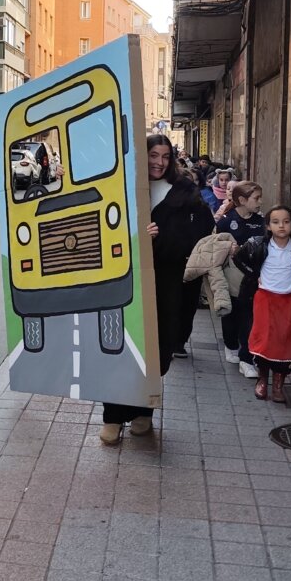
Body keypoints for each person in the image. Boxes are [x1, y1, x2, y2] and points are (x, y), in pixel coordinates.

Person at [100, 134, 215, 444]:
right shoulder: (121, 186)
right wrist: (136, 235)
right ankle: (112, 415)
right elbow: (100, 225)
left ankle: (143, 411)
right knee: (120, 346)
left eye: (165, 156)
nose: (159, 162)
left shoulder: (185, 192)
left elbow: (200, 231)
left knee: (157, 348)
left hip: (167, 282)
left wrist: (160, 237)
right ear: (143, 155)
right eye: (153, 155)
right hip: (126, 278)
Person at [234, 205, 291, 403]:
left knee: (286, 341)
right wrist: (255, 274)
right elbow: (238, 258)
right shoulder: (258, 244)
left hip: (290, 299)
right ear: (268, 226)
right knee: (265, 340)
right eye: (275, 222)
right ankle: (262, 379)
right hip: (266, 298)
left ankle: (278, 384)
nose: (281, 226)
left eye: (286, 222)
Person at [215, 181, 265, 379]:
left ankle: (247, 358)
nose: (260, 202)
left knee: (249, 316)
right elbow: (216, 247)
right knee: (232, 313)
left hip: (253, 277)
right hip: (232, 274)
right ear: (242, 200)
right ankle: (230, 344)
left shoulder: (261, 222)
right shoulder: (226, 221)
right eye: (256, 198)